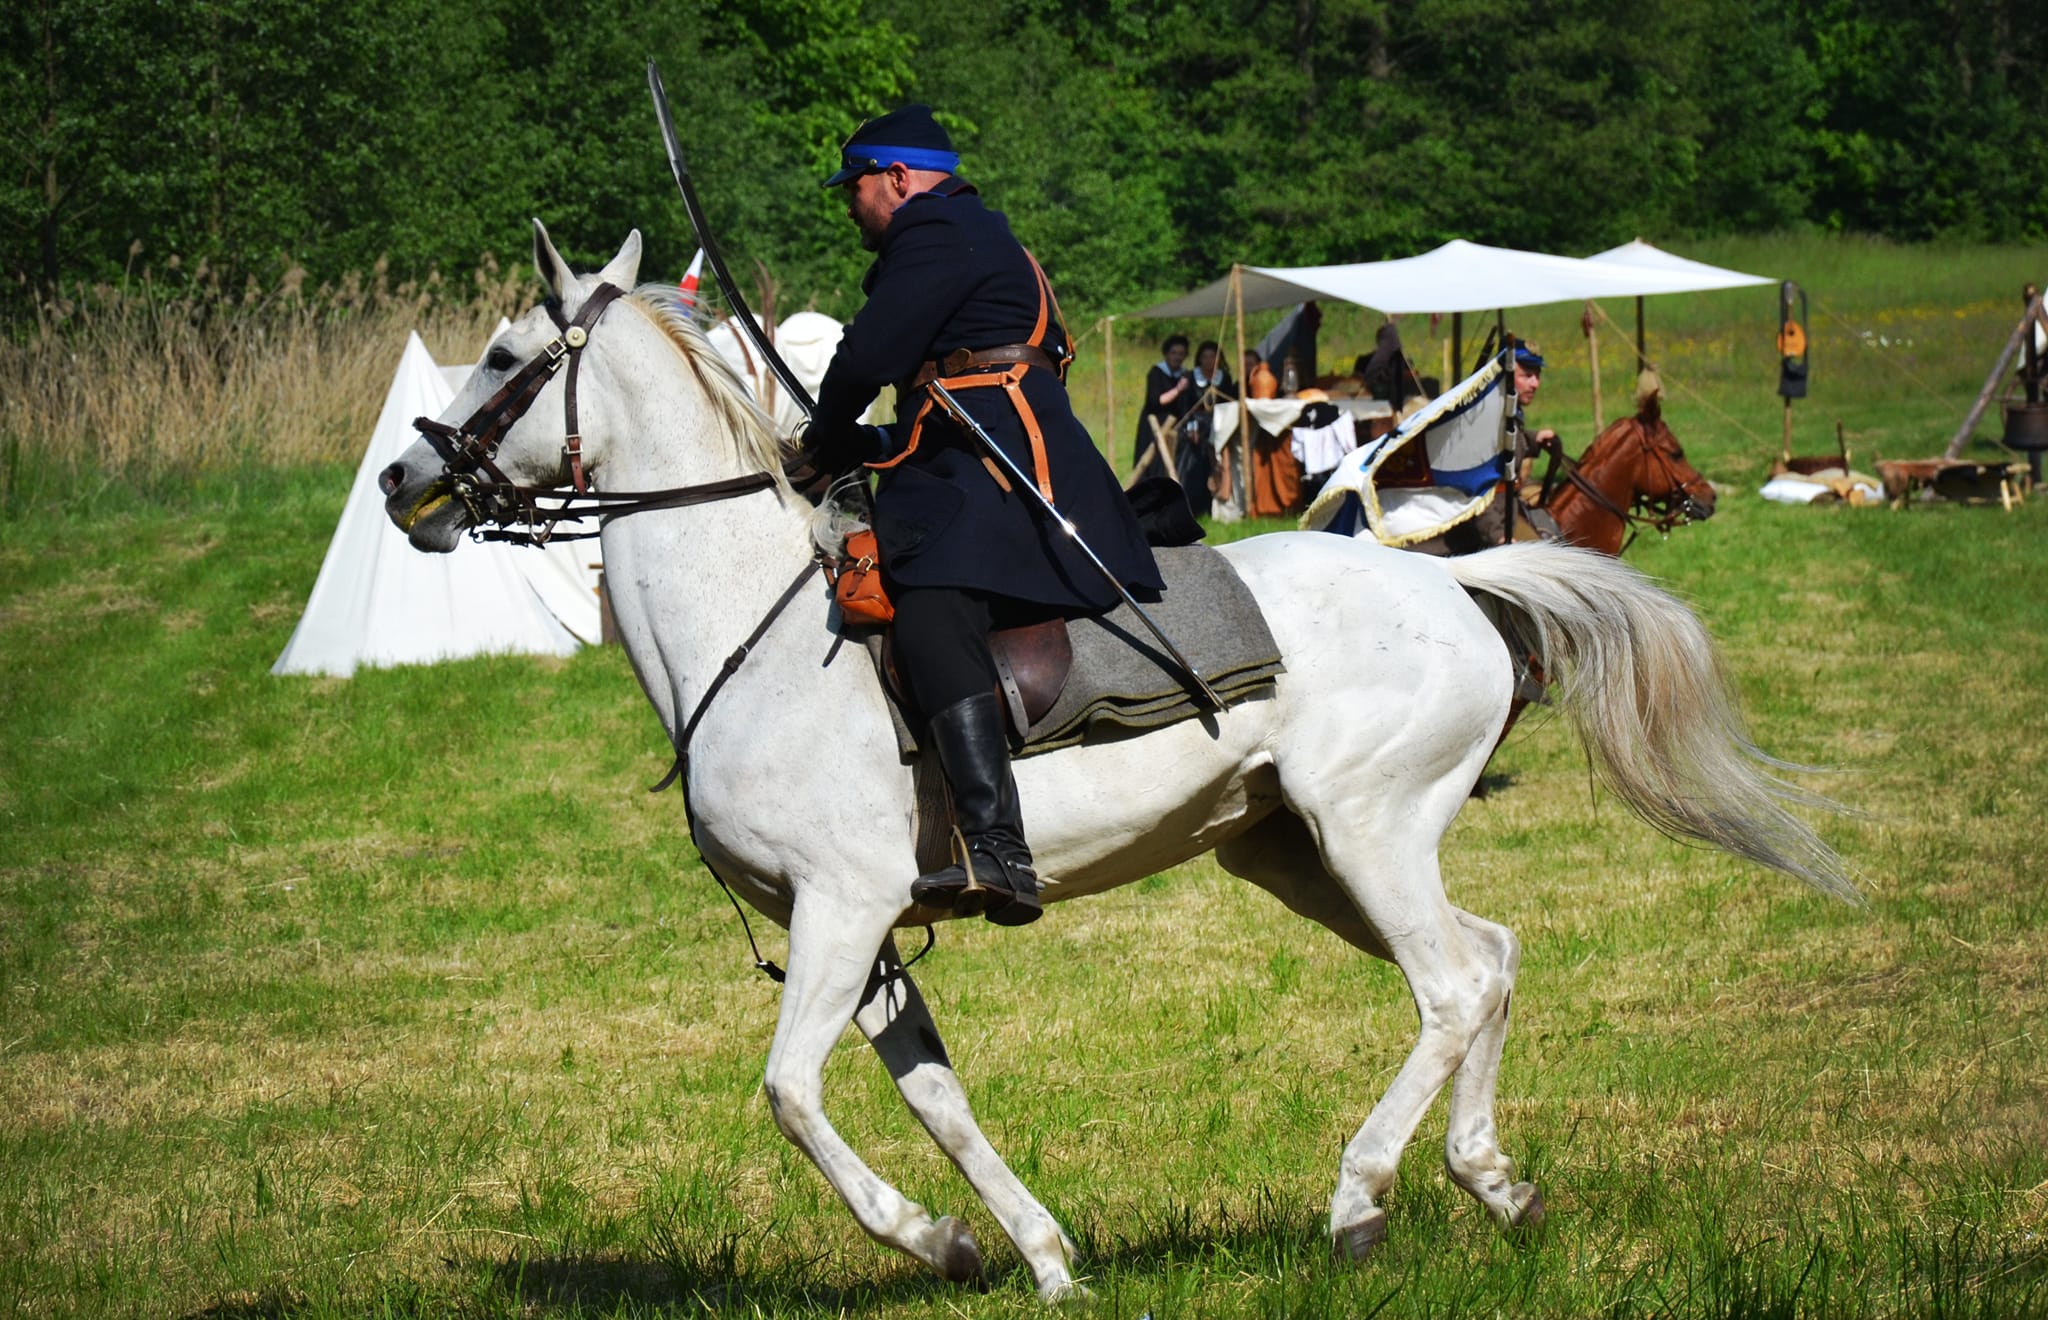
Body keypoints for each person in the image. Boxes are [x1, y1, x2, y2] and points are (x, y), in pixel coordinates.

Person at [806, 104, 1165, 928]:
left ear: (897, 178)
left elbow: (869, 357)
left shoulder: (933, 230)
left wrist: (825, 433)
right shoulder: (971, 231)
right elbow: (945, 398)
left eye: (854, 186)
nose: (850, 204)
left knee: (932, 602)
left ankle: (998, 846)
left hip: (1007, 473)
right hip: (985, 447)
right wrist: (868, 443)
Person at [1132, 334, 1193, 483]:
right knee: (1151, 463)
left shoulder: (1185, 375)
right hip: (1154, 426)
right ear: (1166, 354)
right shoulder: (1156, 373)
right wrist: (1178, 390)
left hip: (1173, 427)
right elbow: (1155, 400)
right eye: (1174, 353)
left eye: (1181, 354)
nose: (1177, 357)